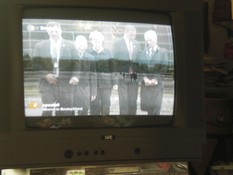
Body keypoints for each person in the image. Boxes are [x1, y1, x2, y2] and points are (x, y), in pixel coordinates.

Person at [32, 21, 77, 116]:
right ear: (48, 32)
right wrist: (45, 75)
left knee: (64, 113)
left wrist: (75, 76)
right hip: (47, 86)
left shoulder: (71, 45)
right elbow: (35, 65)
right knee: (47, 113)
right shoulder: (40, 46)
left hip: (66, 85)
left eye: (56, 31)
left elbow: (77, 63)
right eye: (51, 31)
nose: (54, 33)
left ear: (60, 30)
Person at [138, 30, 169, 115]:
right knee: (149, 109)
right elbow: (140, 68)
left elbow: (164, 68)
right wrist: (145, 78)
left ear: (156, 39)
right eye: (147, 40)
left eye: (150, 40)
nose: (148, 42)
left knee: (156, 108)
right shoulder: (142, 53)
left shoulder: (163, 52)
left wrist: (155, 79)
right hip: (146, 85)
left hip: (157, 86)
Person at [112, 25, 140, 115]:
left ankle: (133, 122)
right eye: (132, 34)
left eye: (134, 35)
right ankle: (123, 123)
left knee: (133, 102)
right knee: (123, 102)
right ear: (126, 32)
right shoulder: (117, 43)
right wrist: (115, 81)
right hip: (122, 77)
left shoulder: (137, 44)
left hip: (133, 77)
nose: (133, 36)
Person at [88, 31, 116, 116]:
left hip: (106, 84)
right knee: (94, 106)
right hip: (93, 85)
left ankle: (106, 123)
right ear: (91, 41)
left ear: (102, 41)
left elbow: (113, 69)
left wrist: (115, 83)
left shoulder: (108, 53)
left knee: (106, 105)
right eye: (95, 41)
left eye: (99, 41)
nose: (97, 43)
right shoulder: (88, 53)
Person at [71, 35, 97, 115]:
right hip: (71, 88)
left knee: (84, 110)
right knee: (70, 110)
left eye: (83, 45)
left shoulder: (90, 58)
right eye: (79, 45)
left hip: (84, 88)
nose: (81, 47)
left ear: (86, 46)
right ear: (75, 45)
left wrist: (93, 91)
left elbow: (93, 76)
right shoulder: (70, 56)